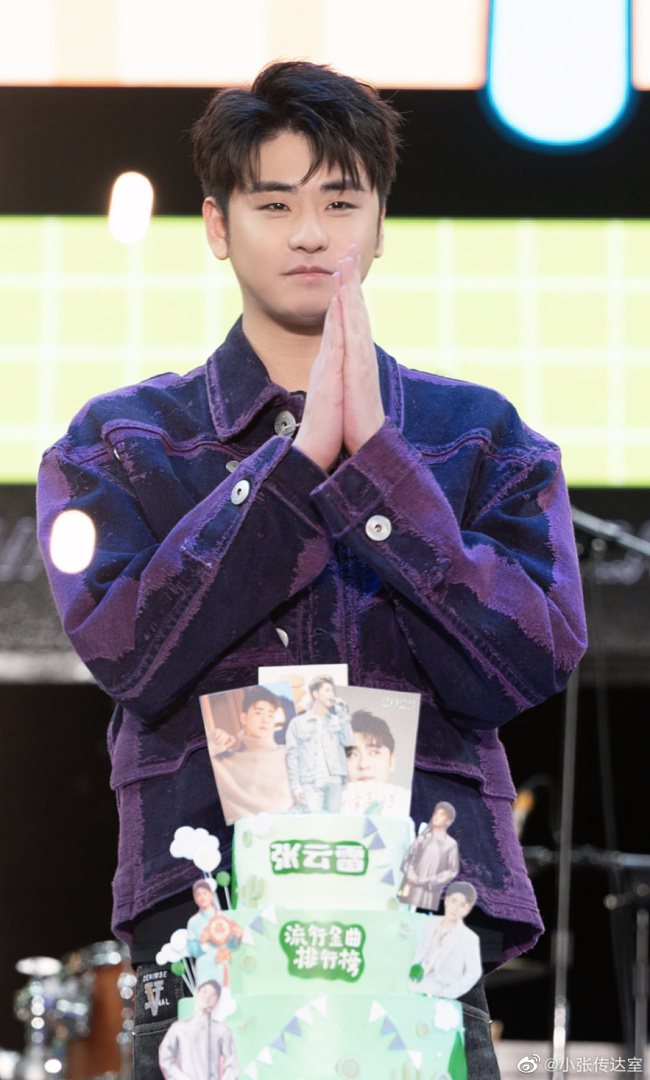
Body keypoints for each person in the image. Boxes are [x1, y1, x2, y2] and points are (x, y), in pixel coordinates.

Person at [36, 60, 587, 1079]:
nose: (308, 233)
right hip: (204, 918)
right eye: (274, 202)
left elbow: (525, 663)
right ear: (217, 225)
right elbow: (130, 654)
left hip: (422, 916)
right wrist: (293, 471)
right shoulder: (119, 444)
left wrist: (380, 469)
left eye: (339, 202)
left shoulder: (482, 439)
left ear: (379, 224)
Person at [207, 686, 293, 822]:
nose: (265, 720)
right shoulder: (224, 761)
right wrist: (212, 740)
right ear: (243, 718)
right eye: (258, 713)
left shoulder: (288, 754)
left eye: (270, 715)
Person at [285, 675, 353, 811]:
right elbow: (292, 757)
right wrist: (296, 786)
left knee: (334, 822)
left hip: (335, 782)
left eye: (332, 691)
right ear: (316, 694)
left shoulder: (337, 721)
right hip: (310, 782)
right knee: (314, 821)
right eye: (327, 690)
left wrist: (342, 711)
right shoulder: (297, 723)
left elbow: (348, 740)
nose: (331, 694)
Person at [410, 883, 483, 1001]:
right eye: (454, 901)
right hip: (412, 982)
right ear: (447, 900)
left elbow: (474, 973)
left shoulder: (469, 938)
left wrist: (448, 993)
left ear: (467, 908)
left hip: (439, 991)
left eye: (461, 905)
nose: (455, 908)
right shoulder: (427, 922)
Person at [158, 980, 238, 1080]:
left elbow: (232, 1064)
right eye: (204, 991)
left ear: (217, 1001)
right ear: (196, 994)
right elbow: (165, 1057)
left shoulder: (222, 1030)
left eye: (213, 994)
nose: (208, 996)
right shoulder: (178, 1028)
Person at [341, 710, 411, 816]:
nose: (363, 764)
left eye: (374, 752)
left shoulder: (406, 804)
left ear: (391, 762)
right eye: (352, 754)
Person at [398, 802, 460, 909]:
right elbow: (407, 859)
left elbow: (452, 870)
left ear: (448, 821)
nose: (436, 817)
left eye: (441, 815)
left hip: (431, 892)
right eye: (436, 813)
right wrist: (411, 875)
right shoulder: (422, 838)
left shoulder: (450, 844)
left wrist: (431, 880)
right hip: (412, 887)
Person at [186, 880, 221, 958]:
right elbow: (192, 949)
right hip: (208, 961)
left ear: (212, 895)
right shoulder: (193, 922)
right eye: (198, 895)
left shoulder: (224, 916)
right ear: (195, 899)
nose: (202, 897)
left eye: (205, 893)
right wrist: (202, 942)